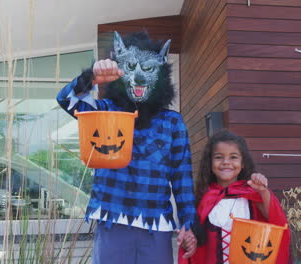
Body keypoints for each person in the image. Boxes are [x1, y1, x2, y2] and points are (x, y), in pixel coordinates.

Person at [56, 31, 196, 263]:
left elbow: (182, 176)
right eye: (130, 66)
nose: (139, 75)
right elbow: (66, 99)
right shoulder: (104, 111)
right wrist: (92, 77)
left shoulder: (172, 122)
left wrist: (189, 224)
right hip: (112, 217)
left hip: (156, 223)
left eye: (149, 69)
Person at [178, 130, 290, 264]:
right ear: (210, 163)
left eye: (233, 157)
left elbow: (274, 219)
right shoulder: (204, 198)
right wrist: (188, 240)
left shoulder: (252, 195)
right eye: (219, 157)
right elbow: (193, 238)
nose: (226, 162)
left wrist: (263, 191)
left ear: (243, 163)